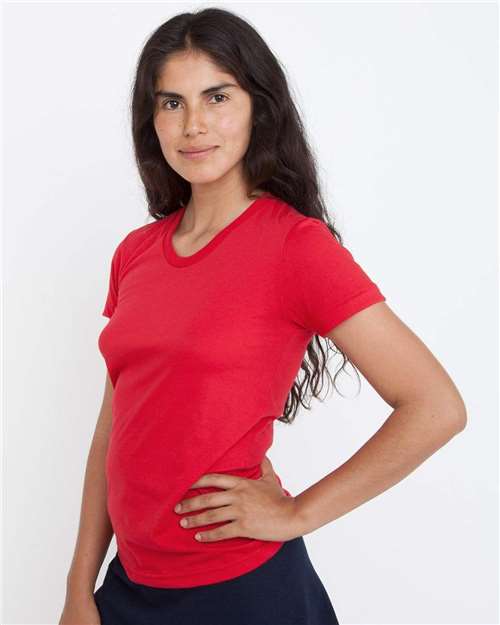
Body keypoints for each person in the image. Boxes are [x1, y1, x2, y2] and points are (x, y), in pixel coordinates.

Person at [59, 7, 467, 625]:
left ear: (260, 107)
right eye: (171, 102)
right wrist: (78, 587)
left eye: (217, 96)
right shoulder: (136, 253)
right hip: (130, 589)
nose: (193, 125)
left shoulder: (295, 247)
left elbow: (436, 406)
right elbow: (112, 431)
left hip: (243, 592)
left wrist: (297, 513)